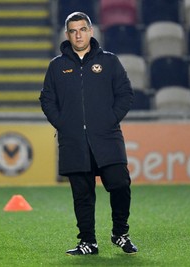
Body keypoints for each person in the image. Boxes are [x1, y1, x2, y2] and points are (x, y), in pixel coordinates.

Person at [39, 12, 137, 256]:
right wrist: (63, 123)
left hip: (107, 138)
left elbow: (125, 94)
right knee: (82, 196)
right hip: (73, 142)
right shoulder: (56, 66)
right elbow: (47, 99)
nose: (78, 35)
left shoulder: (110, 61)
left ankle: (120, 233)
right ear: (67, 34)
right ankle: (88, 242)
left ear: (91, 31)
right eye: (73, 31)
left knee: (120, 184)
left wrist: (110, 119)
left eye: (82, 29)